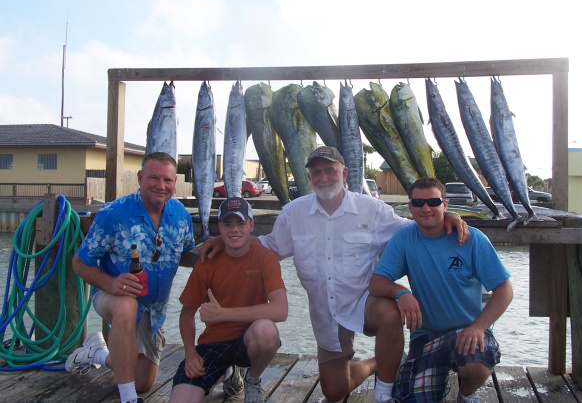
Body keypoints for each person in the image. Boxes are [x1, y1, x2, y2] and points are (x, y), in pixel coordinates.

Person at [199, 146, 469, 403]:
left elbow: (414, 230)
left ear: (345, 173)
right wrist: (226, 239)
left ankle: (384, 393)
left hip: (365, 302)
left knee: (390, 313)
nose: (323, 177)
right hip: (326, 312)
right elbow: (269, 246)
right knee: (334, 391)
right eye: (316, 172)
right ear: (309, 177)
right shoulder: (294, 213)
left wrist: (447, 215)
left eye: (330, 170)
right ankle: (381, 362)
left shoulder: (371, 209)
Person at [65, 152, 203, 403]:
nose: (161, 186)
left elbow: (183, 255)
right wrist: (111, 284)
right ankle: (128, 398)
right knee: (127, 305)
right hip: (113, 296)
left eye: (168, 180)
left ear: (175, 183)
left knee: (143, 382)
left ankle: (96, 354)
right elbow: (80, 263)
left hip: (154, 311)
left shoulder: (181, 214)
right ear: (140, 177)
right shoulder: (113, 214)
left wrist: (209, 253)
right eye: (153, 177)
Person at [369, 177, 513, 403]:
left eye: (433, 202)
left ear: (445, 205)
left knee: (476, 365)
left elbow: (504, 290)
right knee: (412, 399)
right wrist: (401, 292)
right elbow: (376, 282)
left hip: (468, 330)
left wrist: (478, 327)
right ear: (410, 207)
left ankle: (466, 395)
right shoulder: (404, 238)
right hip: (426, 337)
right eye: (418, 203)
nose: (425, 208)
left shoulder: (472, 238)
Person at [170, 197, 287, 403]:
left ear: (251, 225)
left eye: (241, 223)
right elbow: (186, 314)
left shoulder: (265, 258)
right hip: (213, 342)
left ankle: (252, 380)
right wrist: (190, 353)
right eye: (228, 224)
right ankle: (228, 375)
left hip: (248, 341)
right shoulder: (206, 262)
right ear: (220, 227)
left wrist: (223, 314)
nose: (234, 230)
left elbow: (280, 311)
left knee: (266, 331)